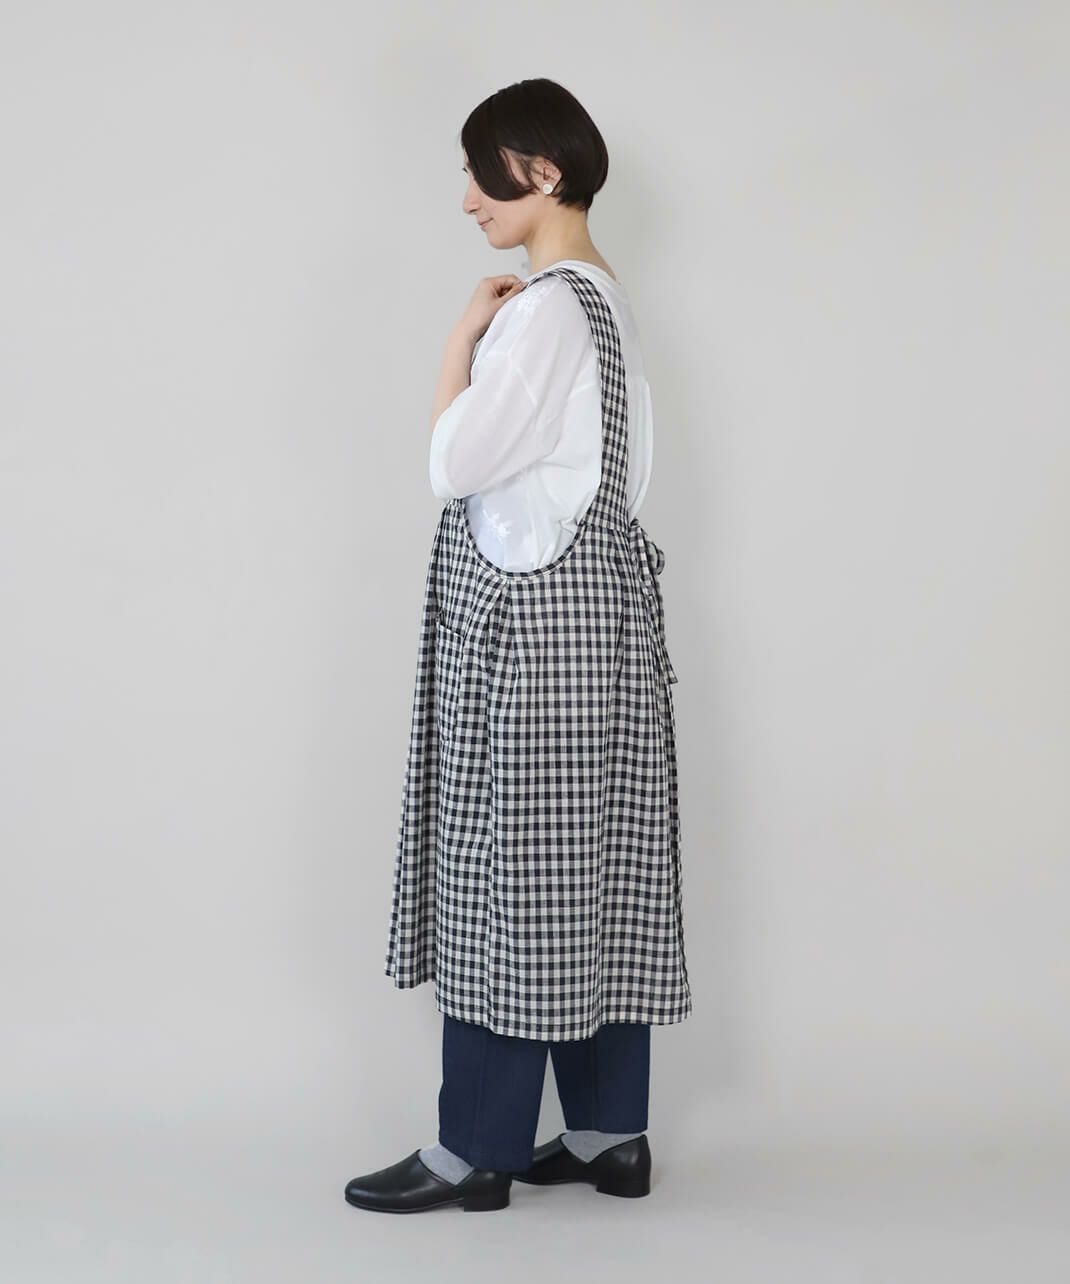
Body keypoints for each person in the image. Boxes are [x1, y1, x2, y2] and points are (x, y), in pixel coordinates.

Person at [345, 78, 691, 1215]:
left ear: (541, 172)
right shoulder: (606, 299)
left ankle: (476, 1150)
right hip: (599, 626)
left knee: (508, 871)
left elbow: (454, 463)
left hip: (533, 633)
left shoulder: (543, 312)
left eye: (479, 172)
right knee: (595, 867)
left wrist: (460, 336)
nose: (467, 200)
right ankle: (607, 1135)